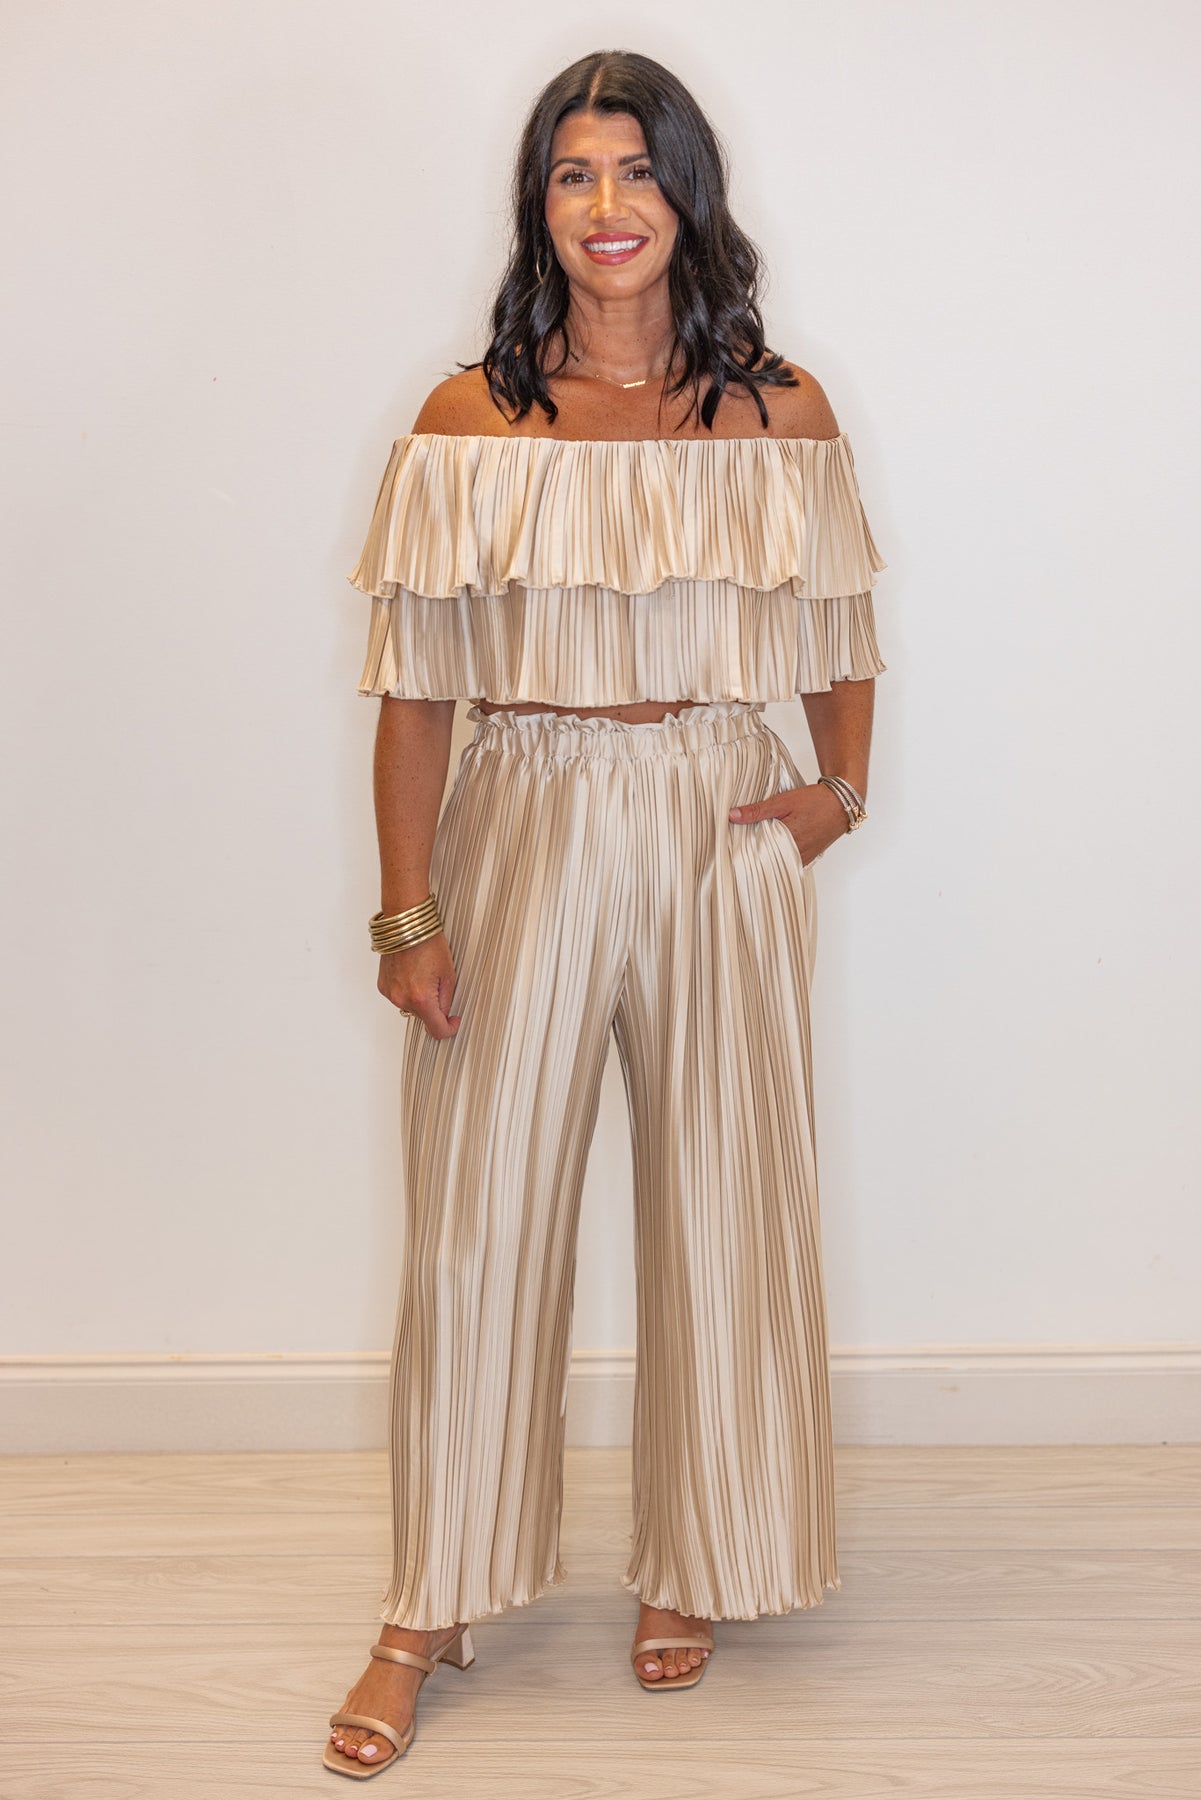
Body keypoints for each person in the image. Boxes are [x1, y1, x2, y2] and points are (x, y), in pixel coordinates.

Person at [325, 47, 887, 1777]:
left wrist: (834, 794)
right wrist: (407, 916)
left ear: (686, 195)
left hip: (719, 810)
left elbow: (840, 626)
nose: (607, 205)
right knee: (475, 1221)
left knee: (724, 1200)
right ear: (539, 209)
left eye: (636, 171)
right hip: (528, 810)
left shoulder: (776, 411)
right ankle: (431, 1602)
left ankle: (698, 1558)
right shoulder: (468, 422)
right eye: (573, 175)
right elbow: (415, 692)